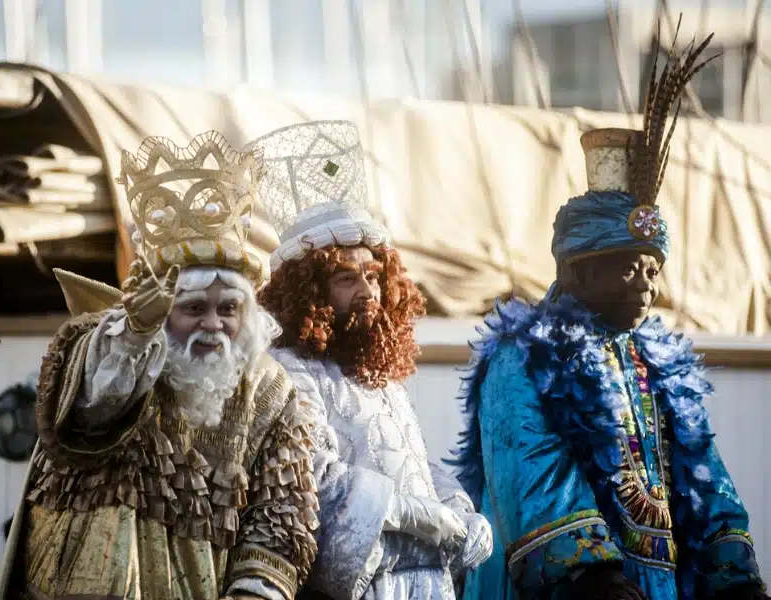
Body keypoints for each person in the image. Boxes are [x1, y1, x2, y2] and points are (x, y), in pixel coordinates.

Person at [448, 26, 769, 600]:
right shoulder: (520, 358)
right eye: (628, 268)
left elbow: (705, 478)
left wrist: (734, 574)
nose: (647, 285)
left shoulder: (658, 362)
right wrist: (596, 578)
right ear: (577, 272)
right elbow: (531, 475)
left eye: (652, 268)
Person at [0, 131, 319, 600]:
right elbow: (90, 412)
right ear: (162, 307)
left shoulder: (271, 389)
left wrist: (254, 591)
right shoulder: (111, 342)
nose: (213, 326)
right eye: (193, 309)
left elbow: (282, 509)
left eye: (228, 309)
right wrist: (136, 333)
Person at [251, 120, 493, 600]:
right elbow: (308, 473)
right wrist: (406, 511)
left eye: (374, 277)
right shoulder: (285, 369)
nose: (368, 292)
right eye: (346, 279)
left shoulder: (377, 373)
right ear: (309, 291)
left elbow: (409, 460)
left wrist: (457, 505)